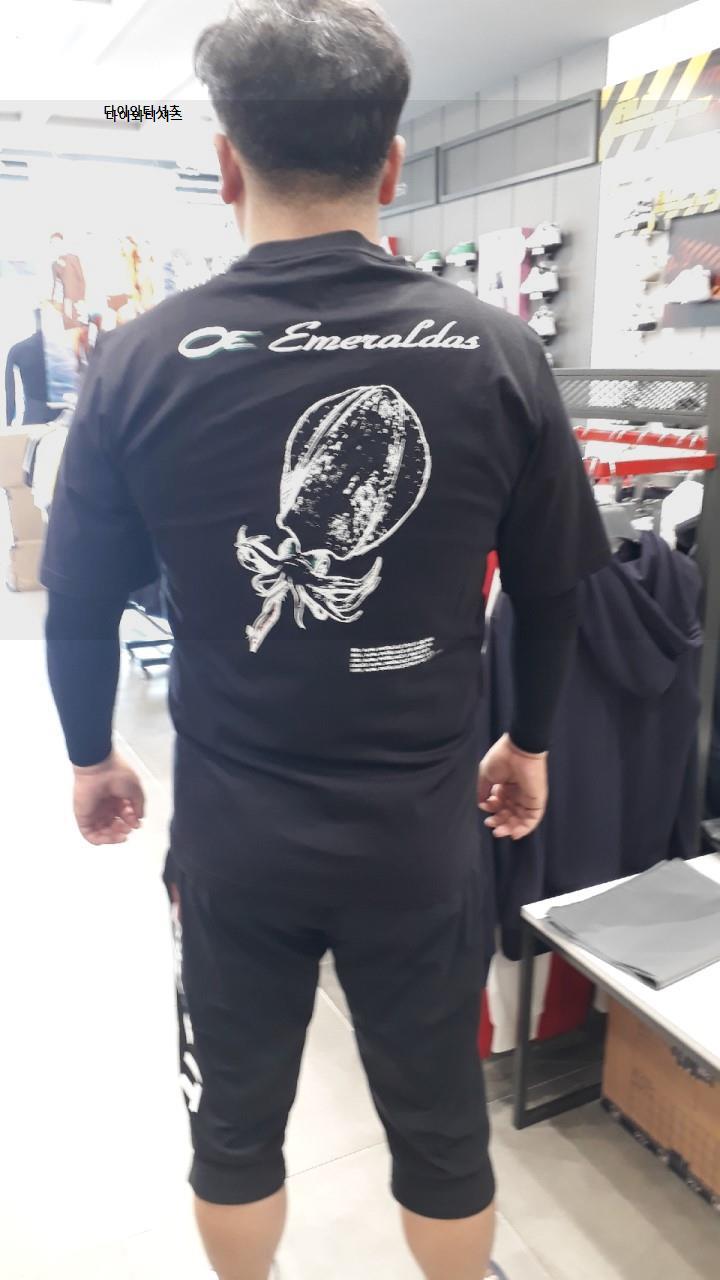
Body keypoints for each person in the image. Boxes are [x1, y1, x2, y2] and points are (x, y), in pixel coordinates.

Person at [42, 3, 609, 1278]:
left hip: (235, 841)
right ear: (392, 164)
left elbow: (77, 600)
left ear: (227, 164)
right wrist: (528, 741)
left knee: (234, 1129)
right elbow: (556, 587)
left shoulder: (138, 360)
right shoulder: (499, 350)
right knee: (443, 1133)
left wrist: (90, 753)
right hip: (419, 842)